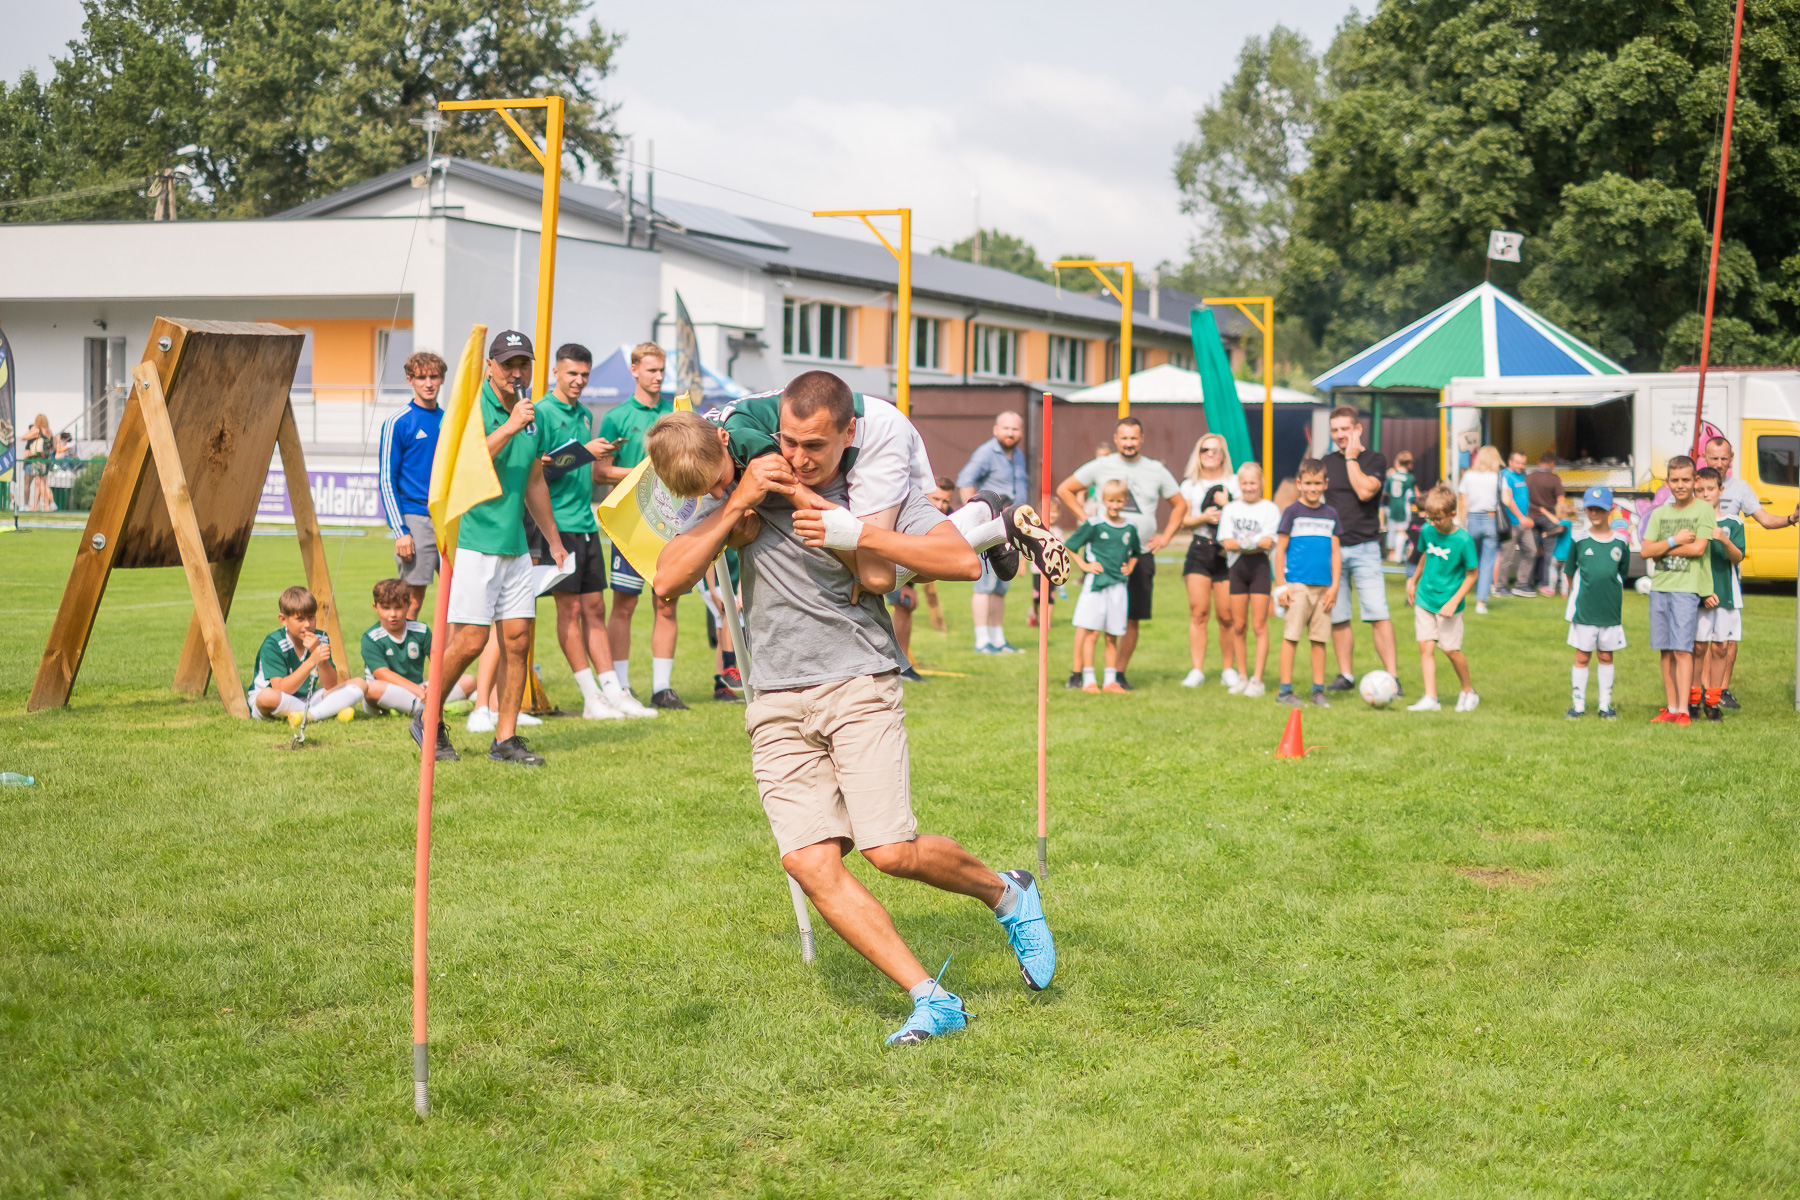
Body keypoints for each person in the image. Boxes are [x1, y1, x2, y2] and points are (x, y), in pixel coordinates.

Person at [653, 370, 1055, 1047]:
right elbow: (665, 579)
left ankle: (1009, 894)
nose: (799, 457)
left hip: (857, 681)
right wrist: (734, 506)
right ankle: (932, 998)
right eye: (789, 443)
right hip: (775, 697)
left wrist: (852, 531)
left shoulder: (872, 486)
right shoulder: (725, 485)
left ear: (846, 436)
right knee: (810, 862)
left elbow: (953, 564)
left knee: (890, 851)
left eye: (815, 444)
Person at [646, 390, 1068, 600]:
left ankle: (985, 517)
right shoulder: (703, 448)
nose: (721, 492)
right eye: (709, 493)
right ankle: (991, 523)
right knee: (913, 567)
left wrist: (847, 547)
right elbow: (669, 580)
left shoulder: (748, 443)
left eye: (721, 481)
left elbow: (798, 490)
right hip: (859, 428)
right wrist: (735, 508)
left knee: (878, 576)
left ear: (724, 440)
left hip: (873, 434)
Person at [407, 329, 568, 765]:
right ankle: (428, 716)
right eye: (509, 363)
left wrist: (553, 540)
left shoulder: (532, 414)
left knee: (517, 641)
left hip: (515, 543)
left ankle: (506, 739)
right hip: (475, 540)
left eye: (524, 364)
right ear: (490, 367)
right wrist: (512, 424)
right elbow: (463, 462)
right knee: (471, 641)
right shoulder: (474, 408)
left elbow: (533, 480)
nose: (517, 372)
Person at [534, 343, 657, 721]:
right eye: (572, 373)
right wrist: (583, 452)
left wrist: (597, 455)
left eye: (584, 375)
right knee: (568, 610)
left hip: (586, 523)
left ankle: (612, 691)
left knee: (595, 608)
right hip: (556, 525)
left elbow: (585, 468)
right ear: (556, 372)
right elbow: (536, 471)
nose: (579, 381)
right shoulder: (540, 411)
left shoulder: (586, 413)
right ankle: (591, 698)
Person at [1055, 417, 1187, 690]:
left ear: (1142, 439)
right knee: (1089, 618)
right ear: (1116, 439)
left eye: (1134, 438)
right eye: (1124, 438)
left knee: (1131, 615)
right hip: (1103, 556)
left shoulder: (1156, 469)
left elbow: (1180, 504)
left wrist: (1165, 536)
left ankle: (1118, 674)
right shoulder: (1102, 465)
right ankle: (1079, 673)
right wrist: (1087, 520)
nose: (1129, 443)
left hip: (1139, 553)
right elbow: (1064, 489)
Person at [597, 342, 682, 708]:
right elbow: (600, 472)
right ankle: (622, 686)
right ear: (634, 371)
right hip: (631, 526)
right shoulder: (616, 417)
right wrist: (642, 474)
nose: (658, 376)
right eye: (651, 370)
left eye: (662, 370)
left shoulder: (675, 415)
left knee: (667, 603)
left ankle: (663, 689)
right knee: (625, 605)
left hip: (671, 524)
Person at [1701, 435, 1800, 708]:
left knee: (1727, 640)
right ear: (1705, 458)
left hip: (1727, 571)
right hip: (1700, 574)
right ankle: (1704, 690)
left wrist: (1791, 519)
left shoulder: (1741, 489)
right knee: (1703, 638)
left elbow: (1765, 520)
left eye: (1724, 458)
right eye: (1714, 458)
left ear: (1731, 460)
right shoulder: (1699, 485)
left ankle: (1721, 690)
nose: (1719, 463)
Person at [1320, 405, 1399, 693]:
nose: (1340, 435)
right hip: (1334, 550)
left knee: (1378, 614)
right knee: (1338, 617)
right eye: (1335, 430)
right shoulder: (1326, 462)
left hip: (1366, 547)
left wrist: (1351, 459)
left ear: (1358, 429)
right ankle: (1346, 676)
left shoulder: (1374, 459)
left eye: (1345, 429)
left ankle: (1392, 677)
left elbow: (1366, 491)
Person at [1640, 456, 1714, 726]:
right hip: (1660, 588)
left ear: (1695, 480)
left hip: (1686, 589)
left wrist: (1663, 547)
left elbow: (1698, 549)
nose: (1680, 485)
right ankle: (1671, 707)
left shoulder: (1703, 510)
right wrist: (1674, 540)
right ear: (1668, 482)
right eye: (1675, 480)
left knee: (1683, 649)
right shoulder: (1660, 513)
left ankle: (1684, 709)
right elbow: (1646, 551)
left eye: (1685, 479)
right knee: (1665, 650)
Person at [379, 351, 448, 620]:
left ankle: (446, 661)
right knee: (411, 602)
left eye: (434, 377)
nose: (428, 383)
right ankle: (401, 661)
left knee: (458, 598)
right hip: (415, 518)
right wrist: (400, 531)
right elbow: (387, 479)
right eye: (421, 377)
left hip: (448, 519)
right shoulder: (398, 422)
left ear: (442, 379)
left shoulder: (449, 421)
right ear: (410, 380)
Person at [957, 410, 1031, 654]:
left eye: (1015, 429)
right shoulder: (986, 453)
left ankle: (998, 641)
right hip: (990, 529)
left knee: (1001, 586)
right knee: (985, 585)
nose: (1011, 433)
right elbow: (965, 481)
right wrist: (977, 521)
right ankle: (982, 642)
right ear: (995, 429)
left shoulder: (1018, 455)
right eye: (1006, 428)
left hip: (1011, 530)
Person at [1271, 458, 1341, 708]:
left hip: (1323, 588)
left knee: (1319, 639)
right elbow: (1279, 552)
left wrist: (1334, 587)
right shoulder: (1291, 512)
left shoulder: (1331, 514)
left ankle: (1318, 691)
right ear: (1299, 483)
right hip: (1296, 586)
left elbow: (1335, 553)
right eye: (1308, 483)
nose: (1313, 488)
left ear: (1325, 484)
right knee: (1291, 637)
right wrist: (1281, 586)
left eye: (1317, 483)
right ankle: (1285, 691)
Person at [1404, 486, 1480, 713]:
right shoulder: (1427, 530)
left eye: (1438, 518)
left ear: (1451, 513)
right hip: (1425, 597)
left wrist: (1454, 601)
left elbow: (1472, 574)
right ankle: (1431, 698)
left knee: (1450, 650)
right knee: (1425, 647)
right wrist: (1413, 580)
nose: (1433, 523)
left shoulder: (1463, 540)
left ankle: (1468, 691)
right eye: (1430, 518)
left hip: (1449, 602)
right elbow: (1426, 555)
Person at [1065, 479, 1142, 693]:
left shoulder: (1130, 527)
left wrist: (1131, 566)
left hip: (1118, 587)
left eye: (1119, 501)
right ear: (1103, 501)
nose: (1115, 505)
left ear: (1126, 501)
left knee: (1112, 635)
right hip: (1096, 586)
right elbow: (1070, 546)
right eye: (1111, 501)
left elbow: (1137, 552)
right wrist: (1084, 565)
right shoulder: (1094, 524)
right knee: (1092, 633)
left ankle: (1110, 682)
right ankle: (1089, 681)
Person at [1177, 432, 1239, 688]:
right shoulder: (1189, 486)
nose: (1210, 455)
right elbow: (1182, 522)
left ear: (1223, 454)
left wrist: (1228, 509)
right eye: (1205, 450)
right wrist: (1203, 517)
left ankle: (1228, 670)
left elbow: (1246, 513)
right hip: (1200, 550)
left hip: (1227, 552)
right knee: (1199, 612)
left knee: (1226, 615)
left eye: (1215, 450)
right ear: (1198, 454)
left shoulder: (1234, 482)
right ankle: (1197, 670)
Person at [361, 578, 475, 717]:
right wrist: (419, 692)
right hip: (388, 691)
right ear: (375, 607)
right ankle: (431, 707)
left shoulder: (421, 630)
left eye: (398, 607)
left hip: (418, 689)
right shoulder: (371, 637)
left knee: (469, 681)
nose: (393, 614)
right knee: (372, 688)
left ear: (408, 605)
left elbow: (437, 661)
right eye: (386, 608)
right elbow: (383, 674)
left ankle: (412, 706)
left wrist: (431, 688)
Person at [249, 585, 364, 723]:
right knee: (266, 697)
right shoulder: (273, 644)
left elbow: (331, 685)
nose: (307, 624)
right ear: (283, 619)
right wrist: (312, 661)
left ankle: (310, 715)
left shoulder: (320, 637)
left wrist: (320, 657)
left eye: (311, 617)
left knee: (360, 683)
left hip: (307, 698)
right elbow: (281, 689)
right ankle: (326, 710)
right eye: (300, 619)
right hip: (276, 699)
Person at [1560, 486, 1628, 720]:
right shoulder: (1579, 540)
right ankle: (1577, 706)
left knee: (1606, 656)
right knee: (1582, 656)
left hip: (1609, 610)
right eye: (1590, 508)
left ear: (1610, 509)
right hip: (1585, 611)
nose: (1594, 512)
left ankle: (1604, 706)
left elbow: (1621, 574)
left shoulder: (1621, 542)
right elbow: (1570, 573)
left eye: (1600, 508)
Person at [1218, 461, 1281, 697]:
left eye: (1253, 482)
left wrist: (1244, 544)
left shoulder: (1270, 509)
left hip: (1260, 570)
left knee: (1259, 625)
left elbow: (1269, 543)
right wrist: (1255, 543)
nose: (1249, 487)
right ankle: (1242, 676)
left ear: (1262, 483)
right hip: (1236, 570)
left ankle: (1257, 679)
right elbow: (1227, 542)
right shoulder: (1231, 510)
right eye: (1244, 483)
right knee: (1239, 625)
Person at [1693, 467, 1744, 722]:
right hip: (1700, 596)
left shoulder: (1733, 523)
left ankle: (1713, 703)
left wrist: (1724, 540)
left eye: (1710, 489)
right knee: (1699, 647)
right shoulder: (1691, 521)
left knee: (1722, 647)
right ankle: (1693, 700)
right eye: (1699, 490)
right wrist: (1702, 592)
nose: (1705, 494)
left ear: (1720, 491)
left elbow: (1738, 557)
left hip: (1726, 594)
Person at [1456, 445, 1504, 613]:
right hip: (1491, 519)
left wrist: (1462, 523)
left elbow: (1464, 504)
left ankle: (1458, 593)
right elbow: (1505, 500)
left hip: (1473, 519)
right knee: (1487, 563)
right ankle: (1481, 602)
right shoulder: (1498, 477)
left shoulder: (1468, 476)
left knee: (1470, 561)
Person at [1494, 450, 1537, 597]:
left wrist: (1525, 517)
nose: (1521, 466)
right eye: (1518, 463)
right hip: (1510, 522)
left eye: (1523, 463)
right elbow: (1509, 500)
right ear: (1510, 461)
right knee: (1507, 556)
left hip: (1522, 522)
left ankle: (1521, 584)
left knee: (1531, 551)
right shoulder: (1506, 476)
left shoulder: (1521, 475)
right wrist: (1521, 517)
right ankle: (1500, 586)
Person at [1526, 450, 1566, 596]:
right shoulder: (1554, 478)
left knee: (1531, 551)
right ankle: (1545, 583)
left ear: (1538, 461)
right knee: (1550, 552)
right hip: (1549, 519)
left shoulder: (1529, 477)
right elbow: (1561, 500)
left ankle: (1528, 583)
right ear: (1552, 463)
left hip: (1531, 518)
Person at [1384, 451, 1416, 563]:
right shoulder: (1409, 478)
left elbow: (1387, 492)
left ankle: (1391, 555)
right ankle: (1398, 555)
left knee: (1391, 531)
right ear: (1409, 464)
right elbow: (1412, 495)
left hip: (1392, 507)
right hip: (1404, 507)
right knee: (1401, 531)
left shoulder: (1392, 476)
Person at [22, 414, 53, 512]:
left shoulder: (38, 431)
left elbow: (23, 437)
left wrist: (32, 430)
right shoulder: (49, 432)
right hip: (47, 460)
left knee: (40, 484)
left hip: (39, 460)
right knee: (41, 484)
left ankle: (47, 506)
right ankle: (39, 506)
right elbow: (54, 446)